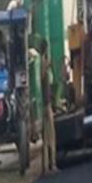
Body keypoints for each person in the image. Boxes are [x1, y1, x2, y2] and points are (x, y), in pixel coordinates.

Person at [40, 40, 56, 175]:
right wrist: (47, 66)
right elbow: (42, 77)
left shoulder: (43, 63)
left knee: (48, 137)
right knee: (49, 137)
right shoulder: (42, 63)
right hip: (46, 105)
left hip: (47, 103)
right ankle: (50, 165)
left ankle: (48, 166)